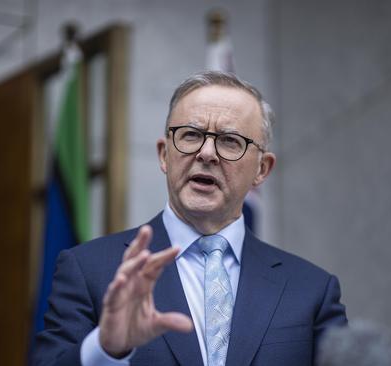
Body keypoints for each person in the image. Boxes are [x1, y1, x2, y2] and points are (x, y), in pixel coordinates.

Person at [32, 71, 347, 366]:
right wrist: (105, 349)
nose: (206, 153)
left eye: (229, 141)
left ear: (261, 170)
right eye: (191, 135)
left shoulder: (311, 291)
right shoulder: (89, 269)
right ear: (164, 155)